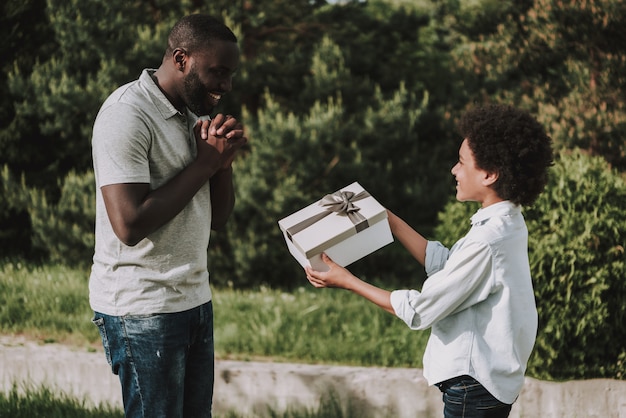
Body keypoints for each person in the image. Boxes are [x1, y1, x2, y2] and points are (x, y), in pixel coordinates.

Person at [305, 104, 553, 418]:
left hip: (472, 387)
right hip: (482, 386)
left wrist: (347, 281)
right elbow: (449, 266)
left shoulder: (489, 240)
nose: (454, 170)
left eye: (462, 163)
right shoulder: (506, 224)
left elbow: (421, 309)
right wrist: (390, 220)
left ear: (490, 174)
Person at [89, 14, 246, 418]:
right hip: (142, 308)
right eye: (218, 73)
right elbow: (129, 224)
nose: (226, 86)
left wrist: (222, 166)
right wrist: (204, 165)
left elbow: (219, 218)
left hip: (193, 299)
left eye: (230, 75)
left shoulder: (194, 117)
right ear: (181, 59)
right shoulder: (127, 114)